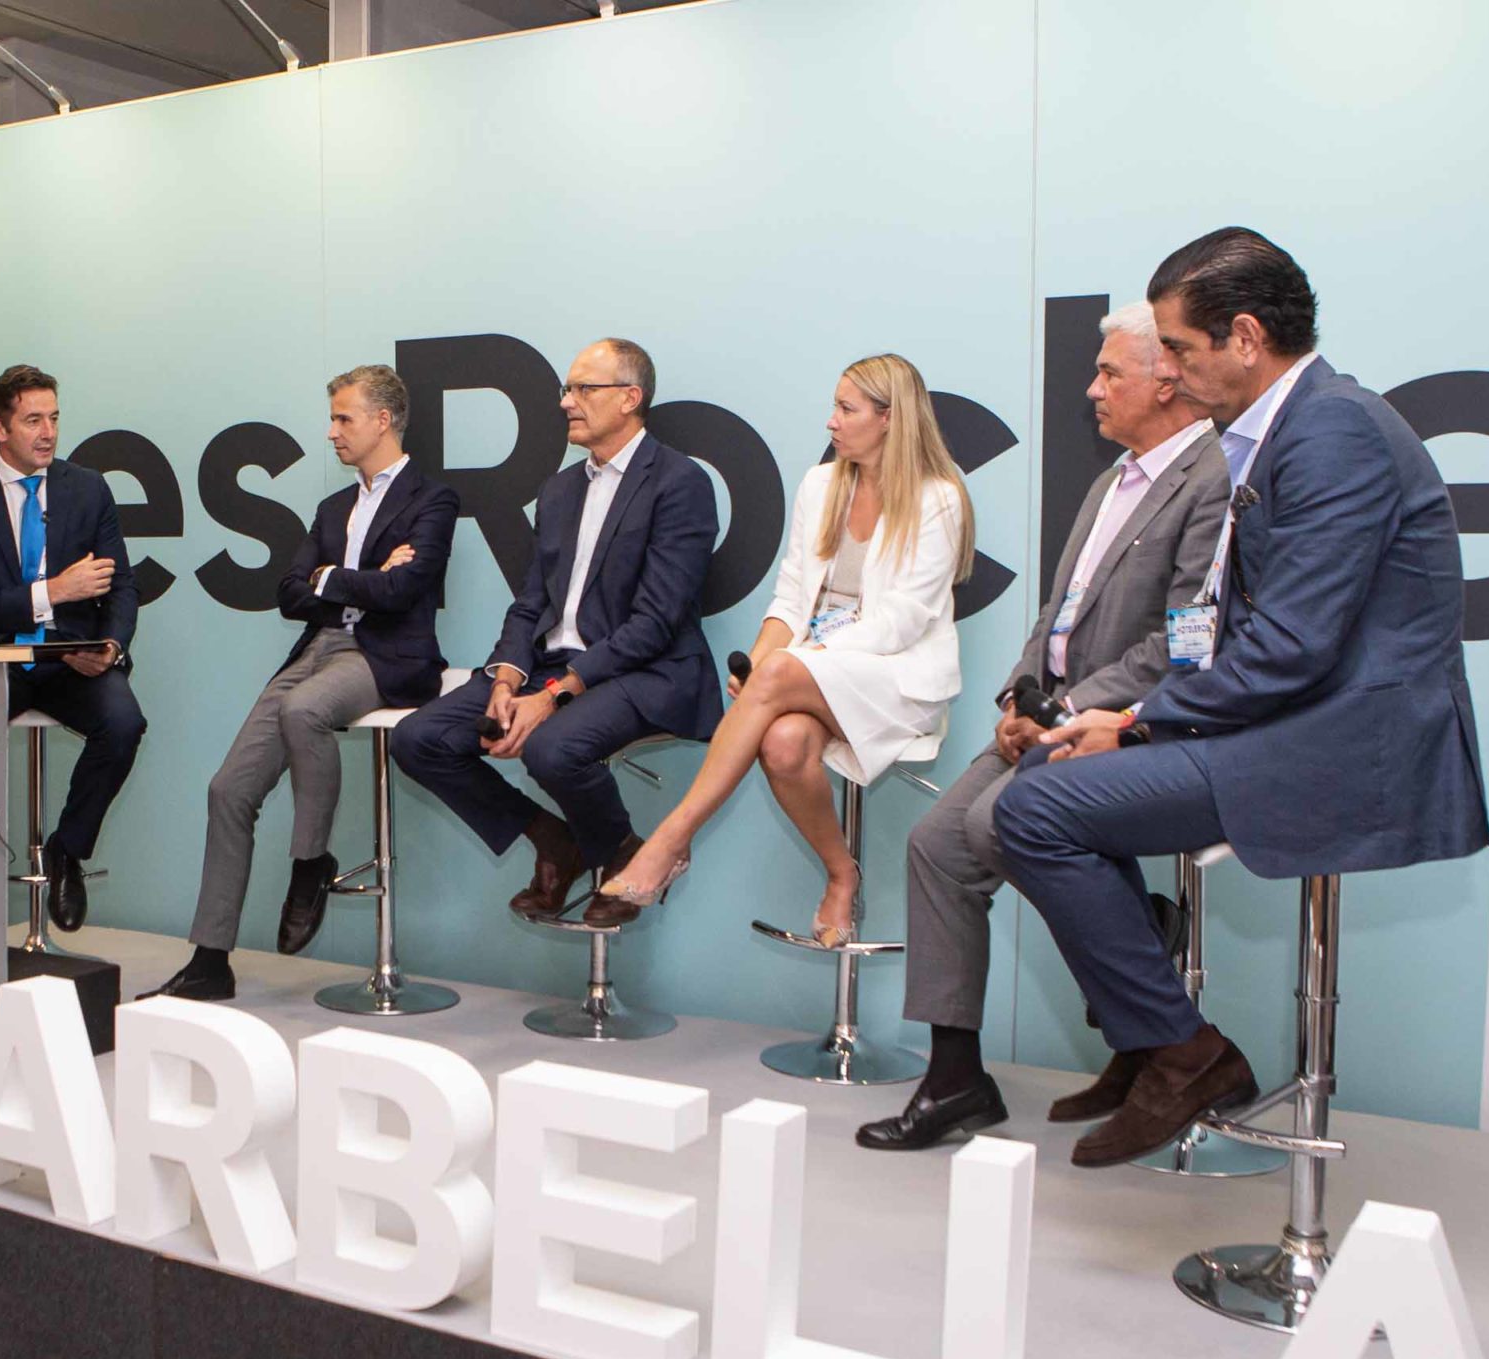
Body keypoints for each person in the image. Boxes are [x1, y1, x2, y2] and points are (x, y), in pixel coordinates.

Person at [991, 228, 1489, 1168]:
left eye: (1180, 349)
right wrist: (1128, 721)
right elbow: (1223, 627)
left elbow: (1294, 647)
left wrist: (1135, 722)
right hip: (1282, 719)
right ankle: (1159, 1043)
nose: (1170, 372)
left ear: (1248, 337)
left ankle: (1182, 1055)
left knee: (1037, 809)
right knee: (1047, 785)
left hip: (1344, 742)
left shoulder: (1333, 430)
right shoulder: (1279, 432)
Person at [856, 304, 1229, 1153]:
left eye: (1109, 373)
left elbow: (1180, 643)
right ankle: (958, 1079)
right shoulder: (1113, 479)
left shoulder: (1211, 479)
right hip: (1049, 718)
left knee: (999, 825)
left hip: (1128, 726)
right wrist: (1018, 699)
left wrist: (1064, 714)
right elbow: (1058, 615)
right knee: (936, 845)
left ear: (1166, 381)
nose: (1091, 389)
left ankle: (1146, 1000)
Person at [597, 355, 971, 944]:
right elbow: (792, 598)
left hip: (897, 679)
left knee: (779, 679)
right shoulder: (821, 485)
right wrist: (763, 661)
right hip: (813, 671)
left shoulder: (939, 498)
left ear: (890, 418)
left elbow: (900, 624)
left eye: (846, 409)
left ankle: (670, 840)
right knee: (783, 742)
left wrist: (795, 663)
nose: (831, 421)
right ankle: (841, 872)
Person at [140, 366, 459, 1001]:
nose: (332, 432)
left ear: (383, 420)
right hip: (317, 648)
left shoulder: (433, 499)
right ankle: (210, 962)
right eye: (333, 418)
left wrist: (332, 578)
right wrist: (360, 578)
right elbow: (289, 594)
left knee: (304, 710)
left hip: (385, 657)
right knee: (228, 789)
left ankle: (311, 862)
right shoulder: (333, 507)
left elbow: (405, 590)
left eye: (344, 418)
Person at [390, 337, 720, 928]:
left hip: (647, 670)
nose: (566, 401)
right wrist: (505, 679)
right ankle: (555, 840)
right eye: (567, 389)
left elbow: (655, 623)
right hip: (551, 665)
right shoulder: (560, 490)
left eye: (583, 389)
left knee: (552, 747)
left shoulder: (679, 482)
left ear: (630, 398)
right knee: (419, 738)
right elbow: (530, 603)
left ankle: (626, 857)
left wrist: (552, 696)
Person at [0, 363, 145, 932]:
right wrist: (54, 592)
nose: (48, 433)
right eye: (32, 421)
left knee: (124, 725)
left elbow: (121, 585)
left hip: (72, 655)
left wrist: (111, 645)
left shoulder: (87, 487)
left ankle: (67, 850)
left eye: (53, 418)